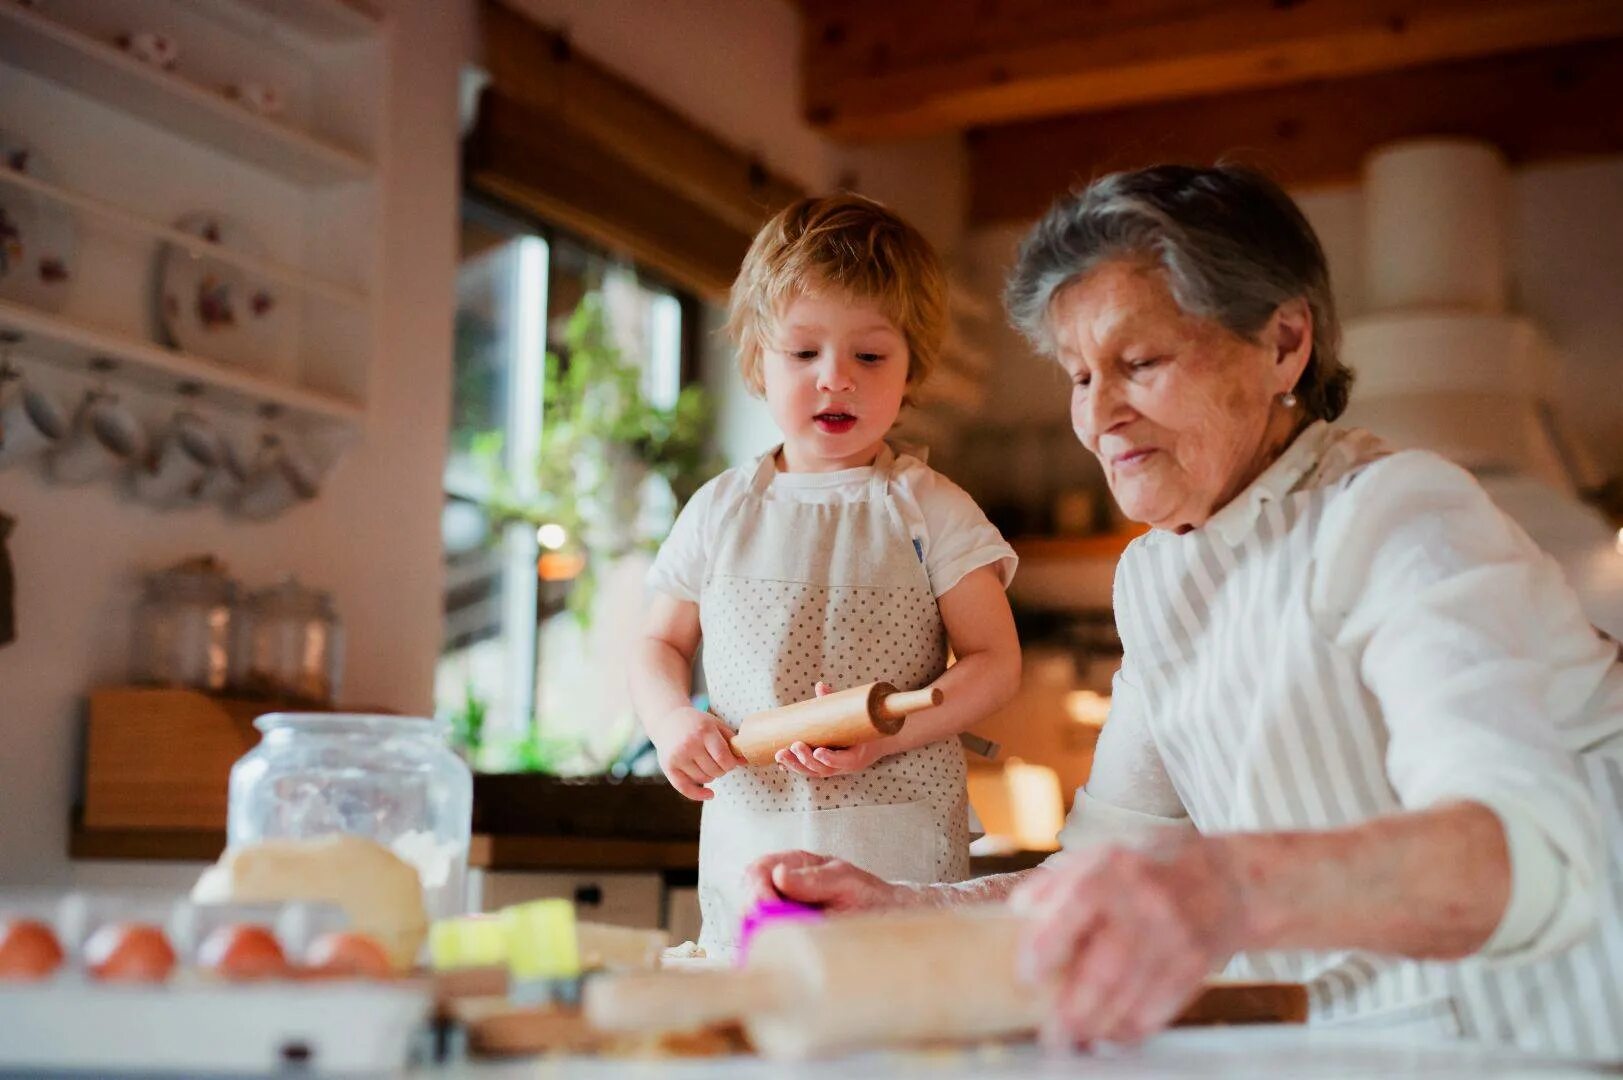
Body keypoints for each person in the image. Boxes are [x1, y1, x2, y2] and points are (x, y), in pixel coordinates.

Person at [743, 166, 1623, 1058]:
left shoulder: (1399, 515)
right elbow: (1103, 866)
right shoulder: (1157, 580)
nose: (1098, 418)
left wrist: (1223, 889)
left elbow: (1522, 857)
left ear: (1284, 344)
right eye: (1079, 375)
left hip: (1543, 1046)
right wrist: (908, 909)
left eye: (1140, 363)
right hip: (1355, 1049)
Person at [630, 194, 1023, 956]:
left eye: (869, 356)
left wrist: (888, 734)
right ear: (756, 361)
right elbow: (658, 644)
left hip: (897, 843)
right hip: (751, 833)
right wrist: (671, 723)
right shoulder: (719, 509)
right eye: (803, 353)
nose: (834, 379)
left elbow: (996, 663)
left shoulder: (931, 509)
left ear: (912, 369)